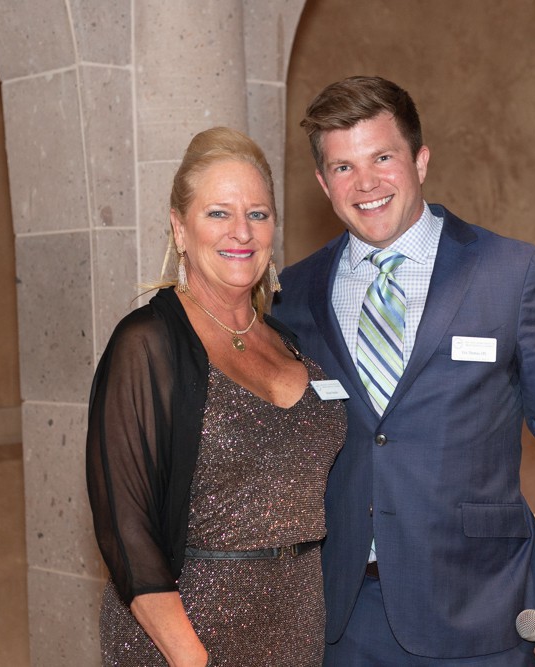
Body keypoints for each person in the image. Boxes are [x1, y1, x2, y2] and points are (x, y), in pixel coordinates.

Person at [272, 76, 535, 666]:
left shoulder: (512, 274)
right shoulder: (294, 294)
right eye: (344, 167)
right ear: (324, 183)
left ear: (420, 160)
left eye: (383, 158)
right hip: (344, 617)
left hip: (484, 605)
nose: (366, 183)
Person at [86, 126, 346, 666]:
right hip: (183, 640)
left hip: (295, 632)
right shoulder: (148, 343)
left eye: (258, 214)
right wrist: (191, 659)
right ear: (180, 229)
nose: (241, 232)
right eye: (218, 213)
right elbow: (126, 530)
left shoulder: (290, 343)